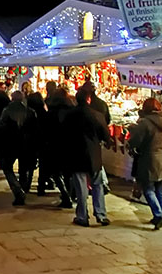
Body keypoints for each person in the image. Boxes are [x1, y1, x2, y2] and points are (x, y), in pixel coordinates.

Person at [63, 89, 111, 227]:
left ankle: (82, 216)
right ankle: (101, 214)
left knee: (81, 187)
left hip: (76, 153)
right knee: (98, 185)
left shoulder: (70, 115)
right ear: (89, 99)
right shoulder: (97, 115)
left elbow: (64, 133)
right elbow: (105, 134)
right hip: (94, 154)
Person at [129, 97, 162, 230]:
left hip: (150, 158)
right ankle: (160, 213)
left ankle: (158, 214)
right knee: (161, 188)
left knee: (148, 188)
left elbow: (136, 141)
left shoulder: (145, 123)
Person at [0, 91, 36, 205]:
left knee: (7, 168)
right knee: (23, 169)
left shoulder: (7, 111)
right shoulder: (30, 111)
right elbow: (34, 129)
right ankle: (22, 189)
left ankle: (17, 189)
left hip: (10, 144)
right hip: (25, 144)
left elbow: (1, 127)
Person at [37, 88, 73, 208]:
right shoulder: (71, 111)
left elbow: (45, 130)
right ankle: (69, 194)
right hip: (69, 145)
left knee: (56, 172)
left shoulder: (52, 113)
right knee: (68, 173)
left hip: (54, 145)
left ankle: (65, 195)